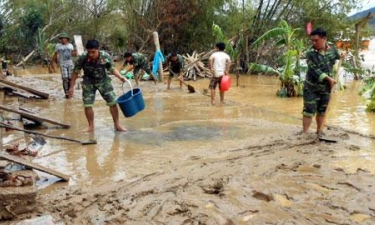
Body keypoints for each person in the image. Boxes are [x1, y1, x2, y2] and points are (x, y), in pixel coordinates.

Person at [68, 39, 127, 132]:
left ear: (98, 49)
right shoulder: (82, 58)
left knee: (113, 102)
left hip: (103, 81)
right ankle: (91, 126)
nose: (91, 54)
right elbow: (75, 73)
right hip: (88, 81)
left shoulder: (105, 56)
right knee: (87, 104)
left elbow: (112, 68)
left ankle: (117, 124)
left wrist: (120, 77)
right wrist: (71, 87)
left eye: (93, 52)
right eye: (89, 52)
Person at [302, 28, 345, 136]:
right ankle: (305, 133)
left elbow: (337, 55)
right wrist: (328, 79)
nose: (313, 43)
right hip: (311, 86)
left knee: (322, 110)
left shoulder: (332, 48)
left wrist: (342, 54)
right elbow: (313, 70)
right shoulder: (310, 53)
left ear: (324, 39)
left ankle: (319, 131)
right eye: (312, 40)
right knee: (309, 110)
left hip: (326, 87)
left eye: (316, 40)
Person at [51, 32, 75, 98]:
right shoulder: (58, 46)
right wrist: (52, 62)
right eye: (61, 38)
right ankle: (66, 93)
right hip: (62, 64)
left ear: (67, 39)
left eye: (64, 38)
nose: (62, 40)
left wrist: (76, 52)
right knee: (65, 78)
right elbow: (55, 54)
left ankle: (70, 92)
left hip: (70, 64)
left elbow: (73, 54)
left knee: (70, 78)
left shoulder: (70, 46)